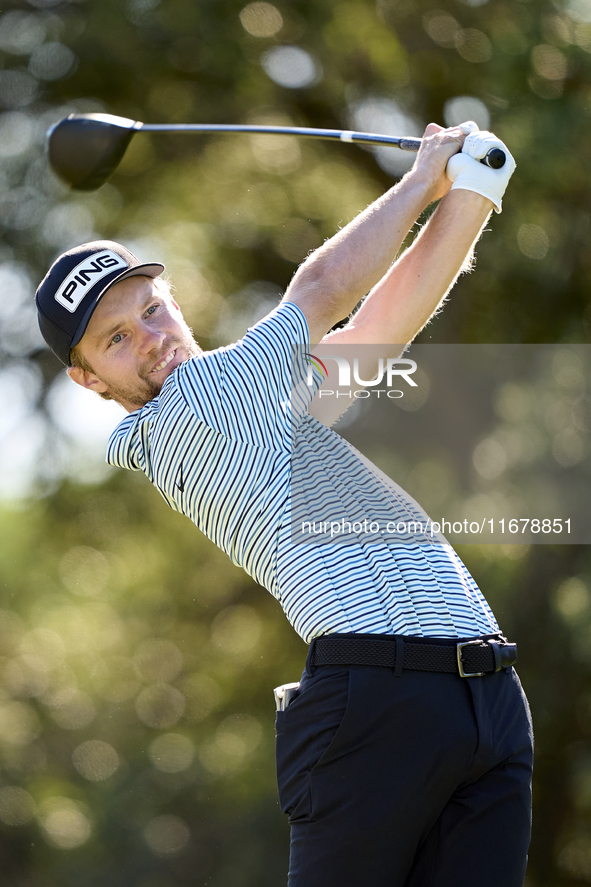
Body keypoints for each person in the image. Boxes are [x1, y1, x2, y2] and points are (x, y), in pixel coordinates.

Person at [35, 123, 532, 887]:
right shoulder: (185, 413)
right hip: (377, 704)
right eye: (117, 340)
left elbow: (376, 329)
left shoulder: (262, 403)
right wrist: (422, 181)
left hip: (485, 700)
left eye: (153, 311)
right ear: (89, 380)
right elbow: (324, 293)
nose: (153, 340)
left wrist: (472, 193)